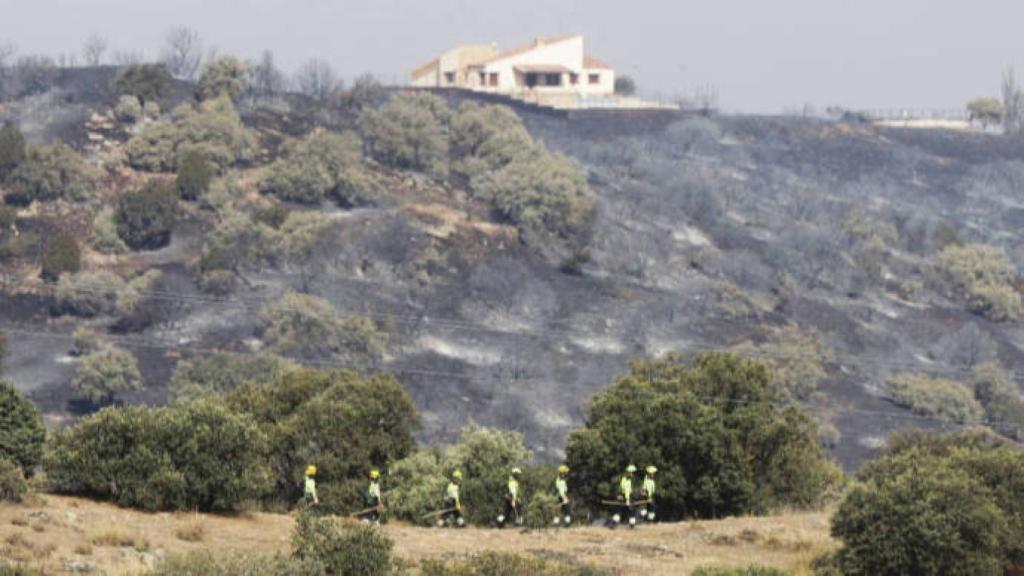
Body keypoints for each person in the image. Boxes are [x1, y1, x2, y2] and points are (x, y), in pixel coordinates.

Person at [611, 464, 637, 528]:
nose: (632, 474)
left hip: (623, 496)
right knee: (632, 511)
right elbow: (626, 491)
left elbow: (622, 488)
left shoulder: (624, 479)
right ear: (629, 472)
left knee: (619, 510)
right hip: (626, 497)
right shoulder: (627, 480)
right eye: (632, 473)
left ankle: (613, 523)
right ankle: (631, 525)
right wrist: (627, 500)